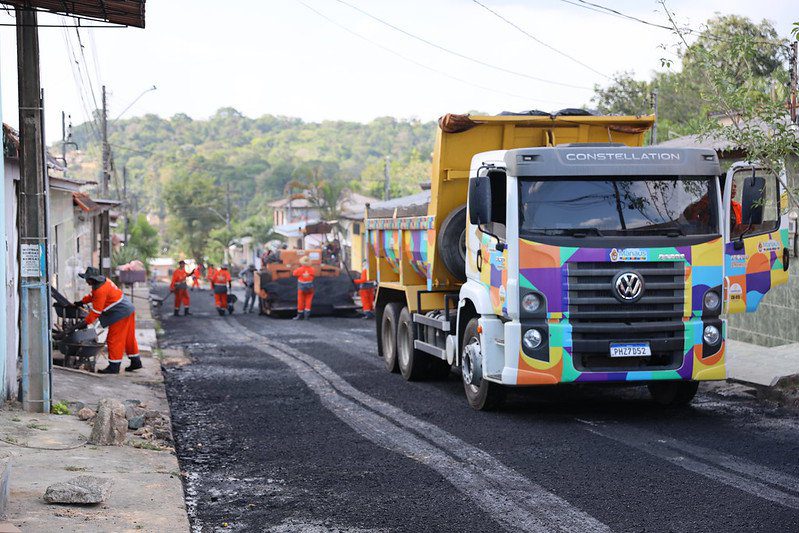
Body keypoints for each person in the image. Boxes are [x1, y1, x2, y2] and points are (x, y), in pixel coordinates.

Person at [70, 266, 140, 374]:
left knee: (114, 339)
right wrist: (81, 302)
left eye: (87, 279)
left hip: (120, 313)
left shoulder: (100, 290)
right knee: (128, 337)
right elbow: (92, 296)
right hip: (128, 308)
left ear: (92, 279)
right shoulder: (103, 281)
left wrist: (81, 324)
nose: (86, 281)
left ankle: (114, 367)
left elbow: (95, 313)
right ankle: (136, 361)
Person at [292, 255, 315, 320]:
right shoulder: (312, 269)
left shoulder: (299, 269)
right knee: (309, 300)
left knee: (300, 300)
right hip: (310, 287)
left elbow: (294, 274)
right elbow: (313, 275)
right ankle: (307, 315)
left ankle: (299, 315)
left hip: (301, 288)